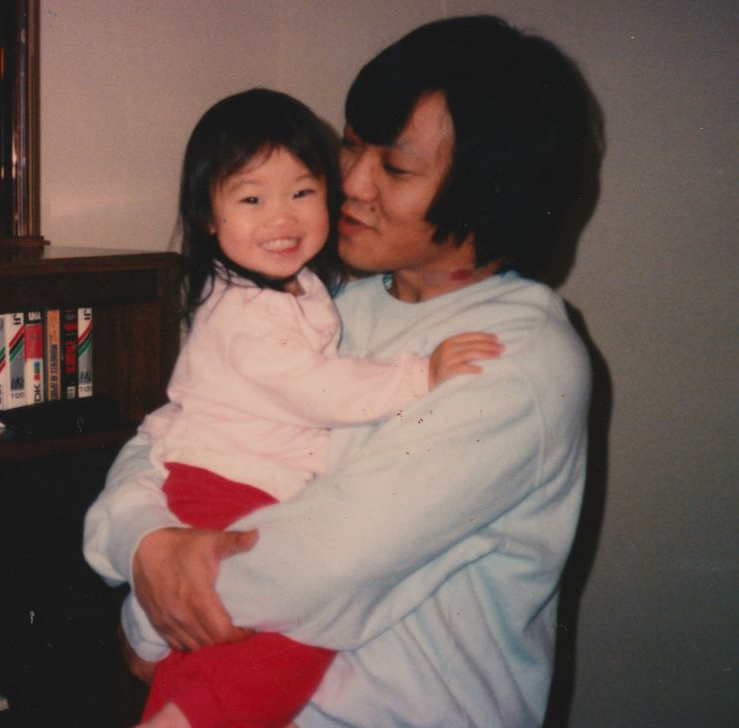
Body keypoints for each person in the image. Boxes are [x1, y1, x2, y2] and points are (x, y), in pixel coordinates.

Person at [85, 14, 597, 728]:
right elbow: (177, 428)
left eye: (394, 167)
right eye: (351, 146)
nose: (348, 182)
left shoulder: (513, 360)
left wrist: (149, 613)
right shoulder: (328, 302)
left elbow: (321, 560)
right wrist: (142, 541)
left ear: (492, 191)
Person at [116, 87, 502, 728]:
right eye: (251, 199)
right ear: (209, 218)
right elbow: (322, 388)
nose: (281, 218)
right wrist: (421, 374)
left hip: (231, 481)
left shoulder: (300, 287)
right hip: (228, 487)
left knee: (224, 641)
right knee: (293, 641)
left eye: (302, 193)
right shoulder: (246, 313)